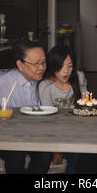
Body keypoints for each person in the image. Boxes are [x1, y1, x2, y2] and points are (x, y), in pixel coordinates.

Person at [0, 37, 52, 174]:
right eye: (36, 63)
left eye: (43, 62)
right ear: (20, 65)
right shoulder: (1, 83)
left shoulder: (41, 83)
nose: (42, 67)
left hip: (29, 136)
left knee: (45, 155)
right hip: (1, 136)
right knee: (16, 156)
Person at [39, 44, 87, 174]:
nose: (66, 71)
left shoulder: (79, 77)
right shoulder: (46, 86)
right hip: (54, 132)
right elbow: (47, 120)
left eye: (70, 66)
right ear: (52, 66)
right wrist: (57, 150)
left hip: (75, 131)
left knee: (79, 160)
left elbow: (86, 104)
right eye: (60, 67)